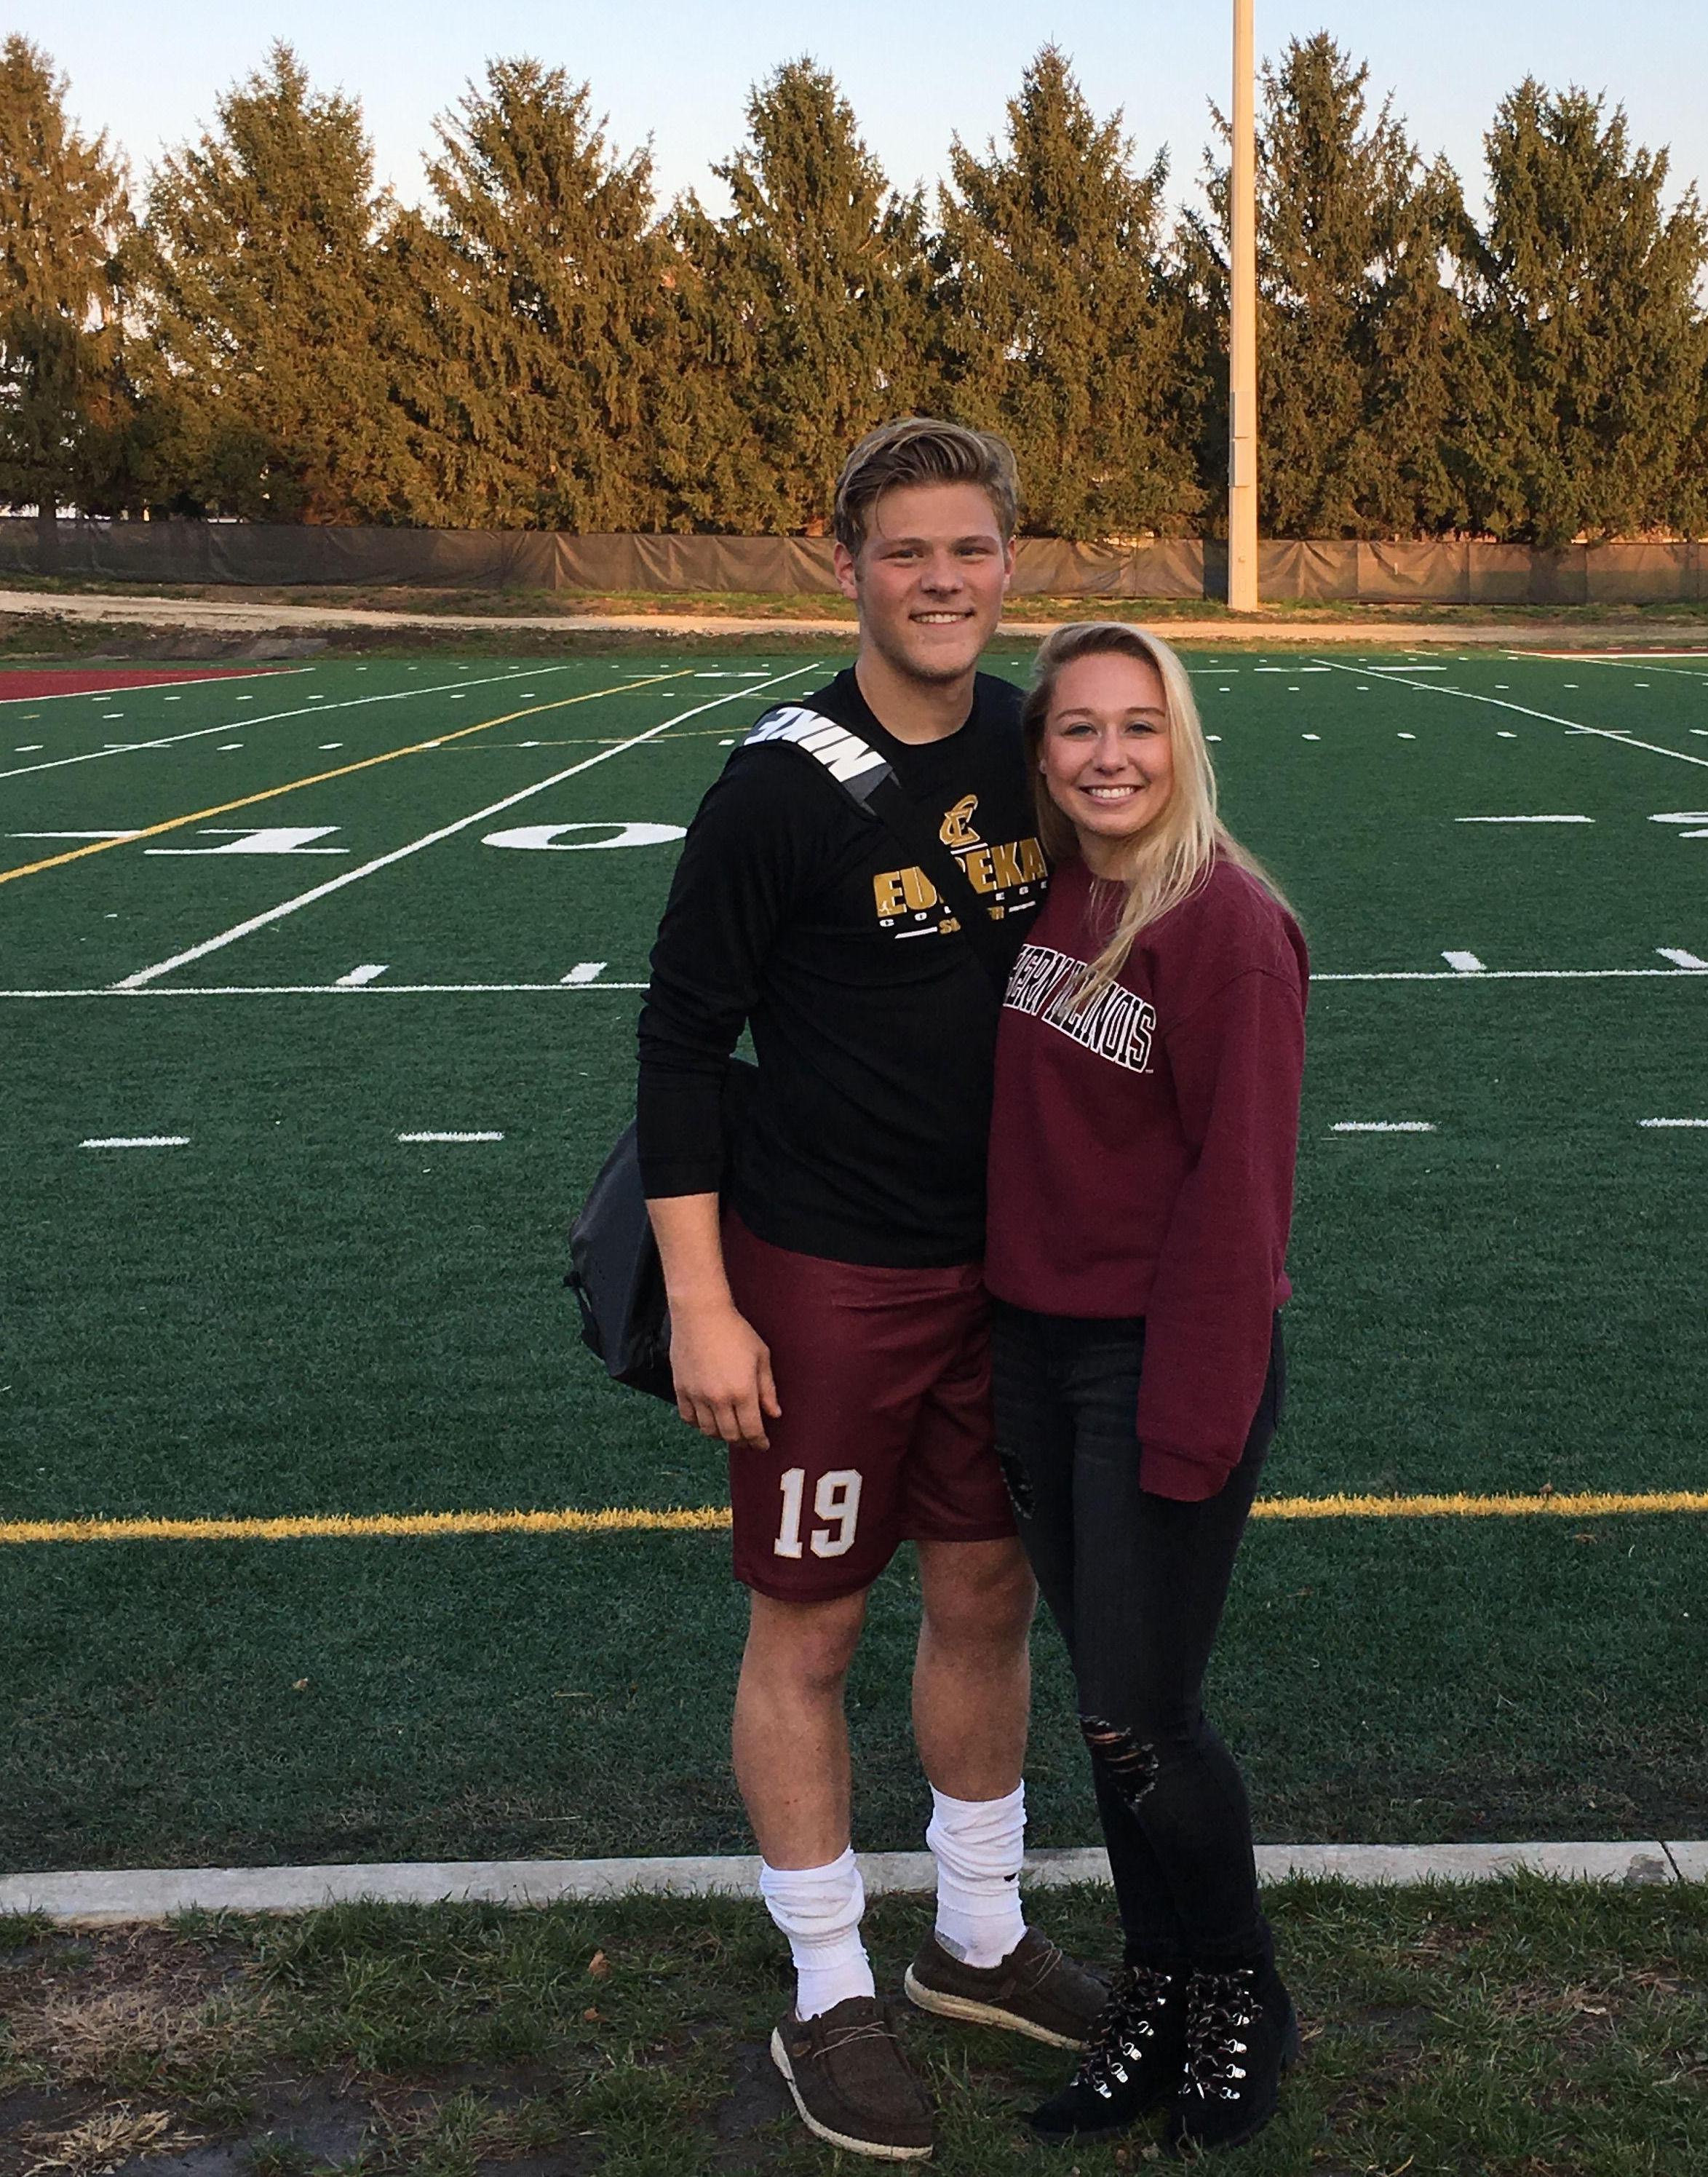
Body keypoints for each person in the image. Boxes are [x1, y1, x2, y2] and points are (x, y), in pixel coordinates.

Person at [636, 419, 1104, 2163]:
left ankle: (975, 1937)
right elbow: (681, 1040)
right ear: (842, 564)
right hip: (827, 1271)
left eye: (968, 550)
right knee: (812, 1622)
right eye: (905, 551)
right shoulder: (776, 784)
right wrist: (702, 1297)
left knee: (988, 1594)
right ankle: (827, 1978)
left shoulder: (1023, 731)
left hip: (1009, 1268)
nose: (939, 581)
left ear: (1007, 559)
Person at [983, 622, 1310, 2154]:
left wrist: (1189, 1418)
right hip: (1040, 1358)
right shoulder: (1060, 897)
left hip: (1159, 1364)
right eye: (1075, 729)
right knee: (1112, 1718)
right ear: (1040, 753)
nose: (1108, 754)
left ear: (1181, 742)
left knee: (1143, 1711)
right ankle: (1158, 1990)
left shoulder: (1226, 925)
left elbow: (1238, 1206)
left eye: (1139, 724)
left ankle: (1241, 1985)